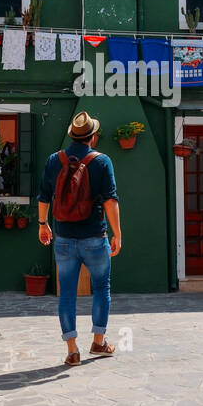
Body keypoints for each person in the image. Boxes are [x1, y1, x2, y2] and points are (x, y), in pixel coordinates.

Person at [37, 111, 122, 366]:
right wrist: (118, 233)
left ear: (72, 135)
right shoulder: (102, 161)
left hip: (63, 238)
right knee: (101, 288)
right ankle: (98, 342)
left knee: (66, 294)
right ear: (93, 137)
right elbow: (110, 200)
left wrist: (43, 225)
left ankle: (72, 350)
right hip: (95, 237)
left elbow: (43, 196)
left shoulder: (55, 160)